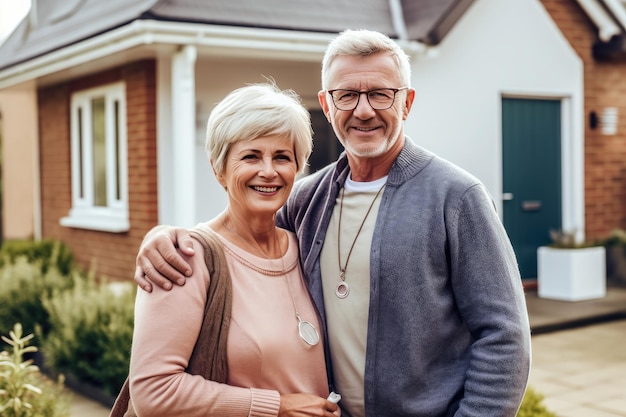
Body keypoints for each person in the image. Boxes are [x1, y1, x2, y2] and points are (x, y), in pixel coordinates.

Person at [135, 29, 532, 416]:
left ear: (406, 103)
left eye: (380, 94)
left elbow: (504, 337)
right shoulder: (306, 199)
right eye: (347, 95)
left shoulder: (457, 197)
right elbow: (242, 238)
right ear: (327, 105)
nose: (363, 110)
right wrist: (164, 236)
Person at [124, 83, 340, 416]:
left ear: (297, 167)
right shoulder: (186, 258)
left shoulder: (308, 246)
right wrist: (277, 407)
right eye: (251, 156)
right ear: (218, 168)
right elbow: (153, 391)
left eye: (282, 157)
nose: (268, 171)